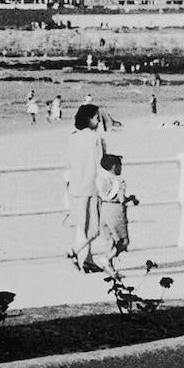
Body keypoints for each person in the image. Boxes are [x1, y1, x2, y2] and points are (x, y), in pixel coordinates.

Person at [66, 105, 107, 273]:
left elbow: (69, 163)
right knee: (95, 228)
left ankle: (88, 259)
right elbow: (101, 165)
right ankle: (74, 251)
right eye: (96, 117)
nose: (98, 120)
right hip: (90, 187)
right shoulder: (95, 138)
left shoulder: (73, 138)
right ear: (88, 119)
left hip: (75, 187)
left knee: (83, 226)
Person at [95, 154, 138, 276]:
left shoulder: (101, 179)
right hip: (116, 210)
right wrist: (132, 198)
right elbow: (122, 199)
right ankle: (107, 259)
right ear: (114, 167)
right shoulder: (119, 181)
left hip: (104, 208)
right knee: (123, 241)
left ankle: (110, 268)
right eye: (120, 166)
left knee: (110, 239)